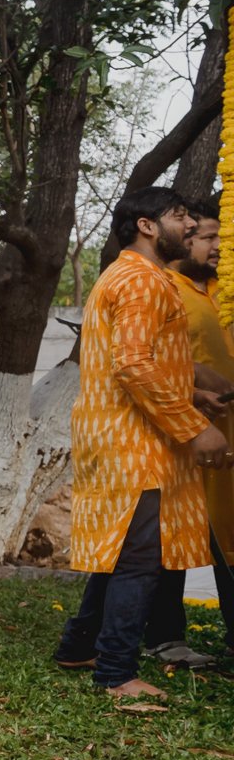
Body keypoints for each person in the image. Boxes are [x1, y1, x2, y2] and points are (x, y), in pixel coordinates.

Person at [53, 187, 229, 698]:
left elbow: (131, 359)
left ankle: (77, 646)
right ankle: (115, 674)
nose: (192, 228)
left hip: (122, 434)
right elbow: (133, 367)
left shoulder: (137, 276)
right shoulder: (140, 281)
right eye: (181, 218)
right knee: (140, 559)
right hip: (133, 442)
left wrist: (194, 391)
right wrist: (194, 426)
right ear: (147, 226)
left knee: (123, 549)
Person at [142, 205, 234, 664]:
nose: (216, 246)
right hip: (185, 431)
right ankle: (164, 636)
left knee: (227, 533)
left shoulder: (221, 290)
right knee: (170, 532)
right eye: (206, 236)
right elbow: (150, 359)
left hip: (227, 434)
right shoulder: (164, 288)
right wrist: (198, 390)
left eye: (220, 237)